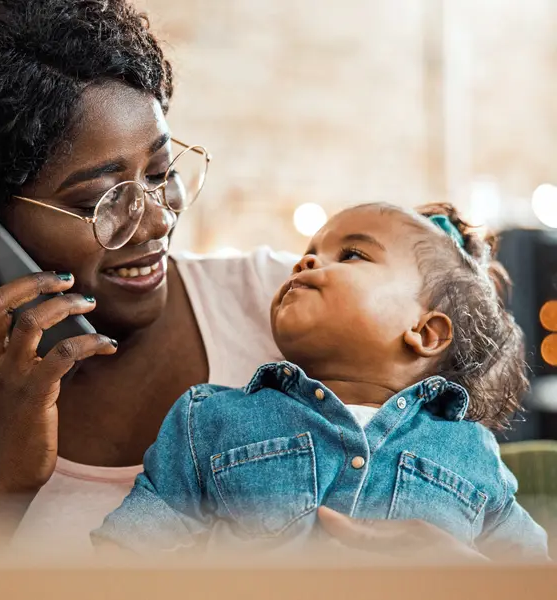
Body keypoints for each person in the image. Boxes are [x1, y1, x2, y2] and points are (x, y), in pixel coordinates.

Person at [0, 0, 483, 560]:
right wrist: (2, 480)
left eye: (160, 172)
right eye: (102, 200)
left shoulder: (298, 309)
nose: (154, 221)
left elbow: (478, 492)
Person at [91, 203, 550, 562]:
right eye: (309, 251)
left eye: (352, 254)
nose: (306, 260)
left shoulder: (471, 452)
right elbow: (128, 550)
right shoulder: (209, 418)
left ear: (426, 332)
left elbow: (528, 572)